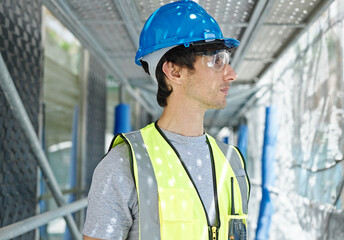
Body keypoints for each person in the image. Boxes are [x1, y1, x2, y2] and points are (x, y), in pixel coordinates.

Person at [83, 1, 250, 239]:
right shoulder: (125, 165)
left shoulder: (233, 163)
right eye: (216, 61)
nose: (231, 74)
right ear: (175, 72)